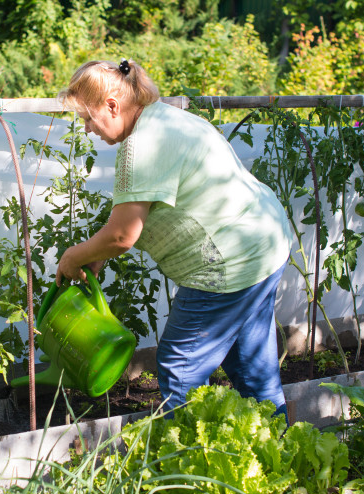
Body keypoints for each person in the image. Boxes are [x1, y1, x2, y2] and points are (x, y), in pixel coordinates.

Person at [55, 58, 293, 420]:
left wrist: (73, 257)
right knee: (251, 371)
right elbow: (133, 214)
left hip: (229, 264)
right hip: (263, 243)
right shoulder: (167, 119)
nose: (87, 129)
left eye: (87, 118)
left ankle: (188, 468)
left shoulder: (142, 145)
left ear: (112, 106)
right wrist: (98, 254)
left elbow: (123, 235)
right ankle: (278, 458)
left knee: (180, 368)